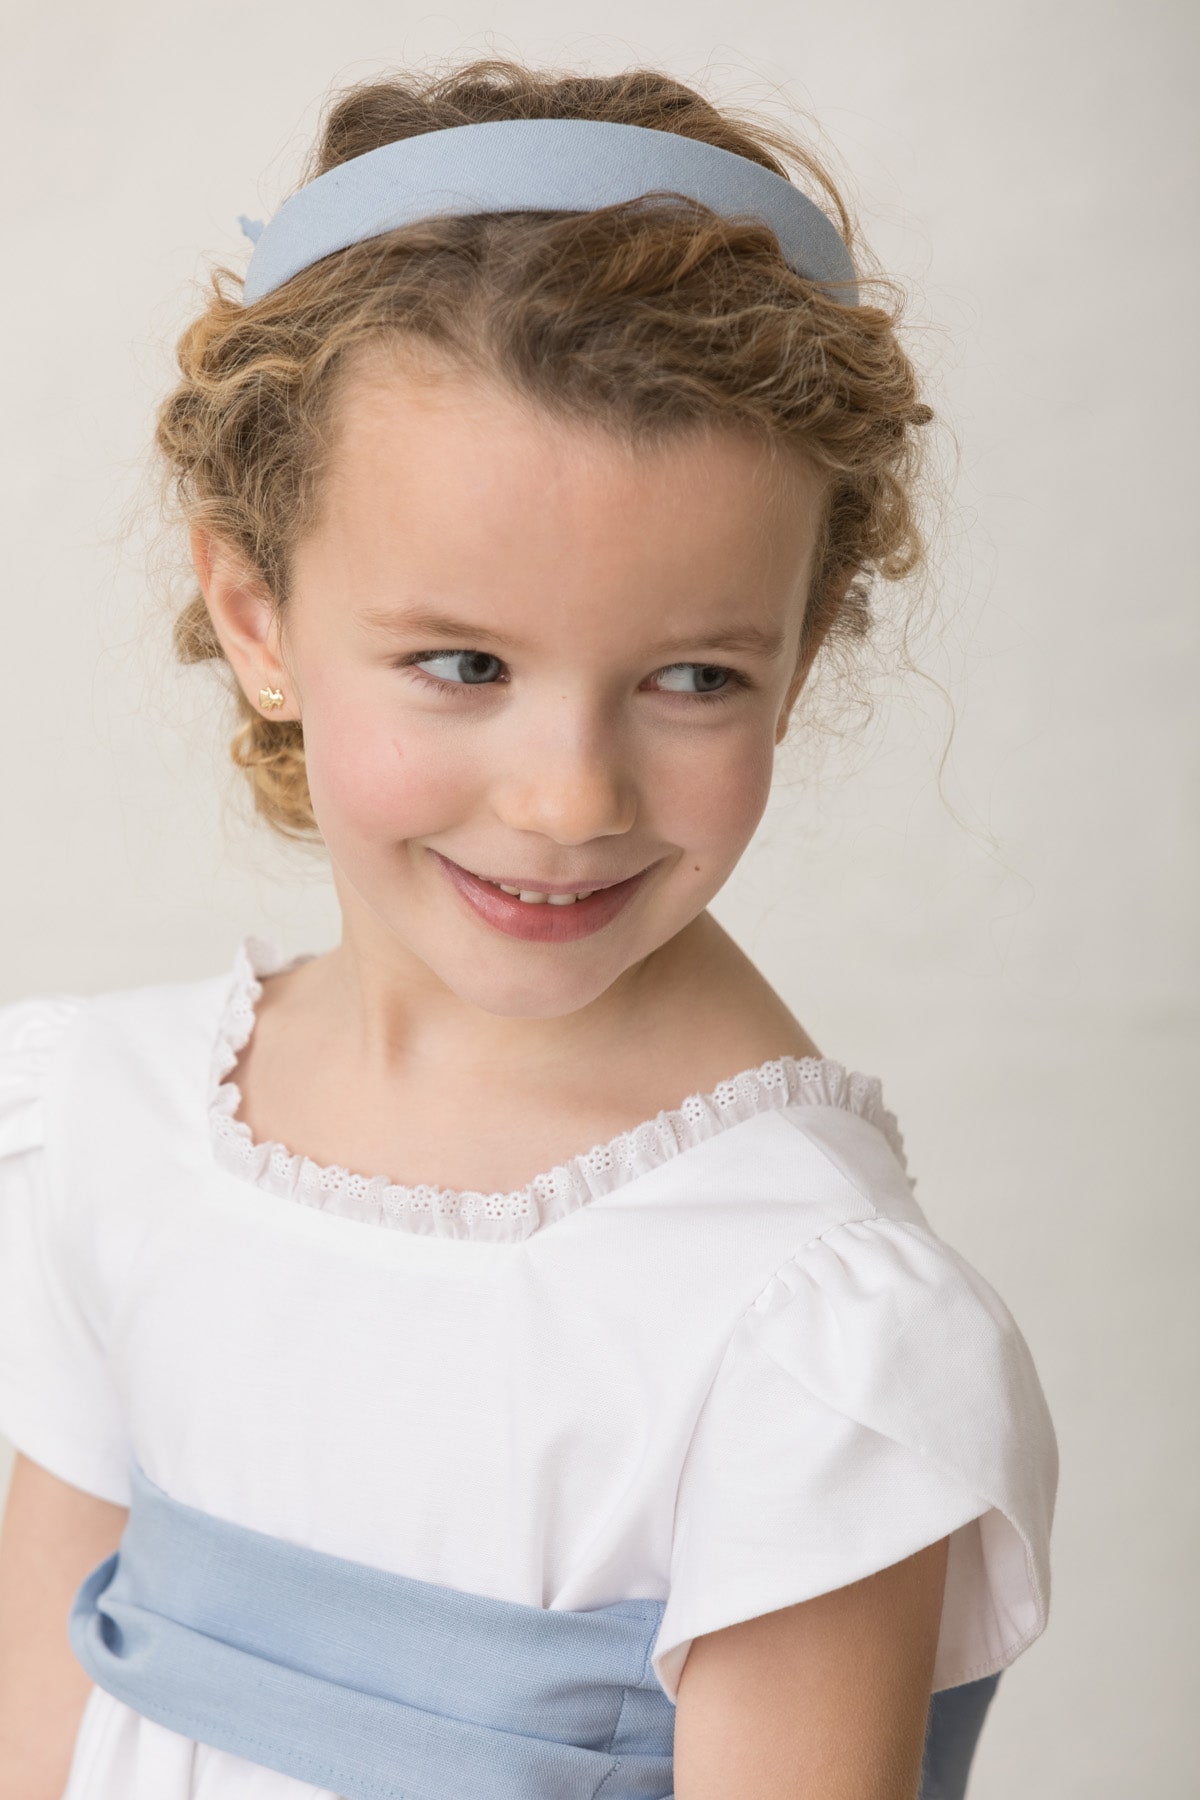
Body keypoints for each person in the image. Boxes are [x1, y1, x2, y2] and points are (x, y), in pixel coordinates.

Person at [0, 59, 1058, 1800]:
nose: (572, 797)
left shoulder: (803, 1326)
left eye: (695, 677)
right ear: (255, 612)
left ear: (802, 655)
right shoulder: (116, 1128)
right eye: (465, 664)